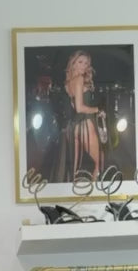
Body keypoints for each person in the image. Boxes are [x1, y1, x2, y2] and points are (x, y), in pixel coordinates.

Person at [41, 50, 107, 184]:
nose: (84, 65)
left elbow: (73, 106)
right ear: (73, 63)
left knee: (75, 169)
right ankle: (96, 189)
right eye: (80, 62)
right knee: (99, 162)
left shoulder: (68, 83)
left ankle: (75, 190)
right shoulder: (80, 79)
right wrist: (98, 110)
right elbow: (79, 108)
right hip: (86, 125)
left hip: (74, 127)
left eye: (86, 63)